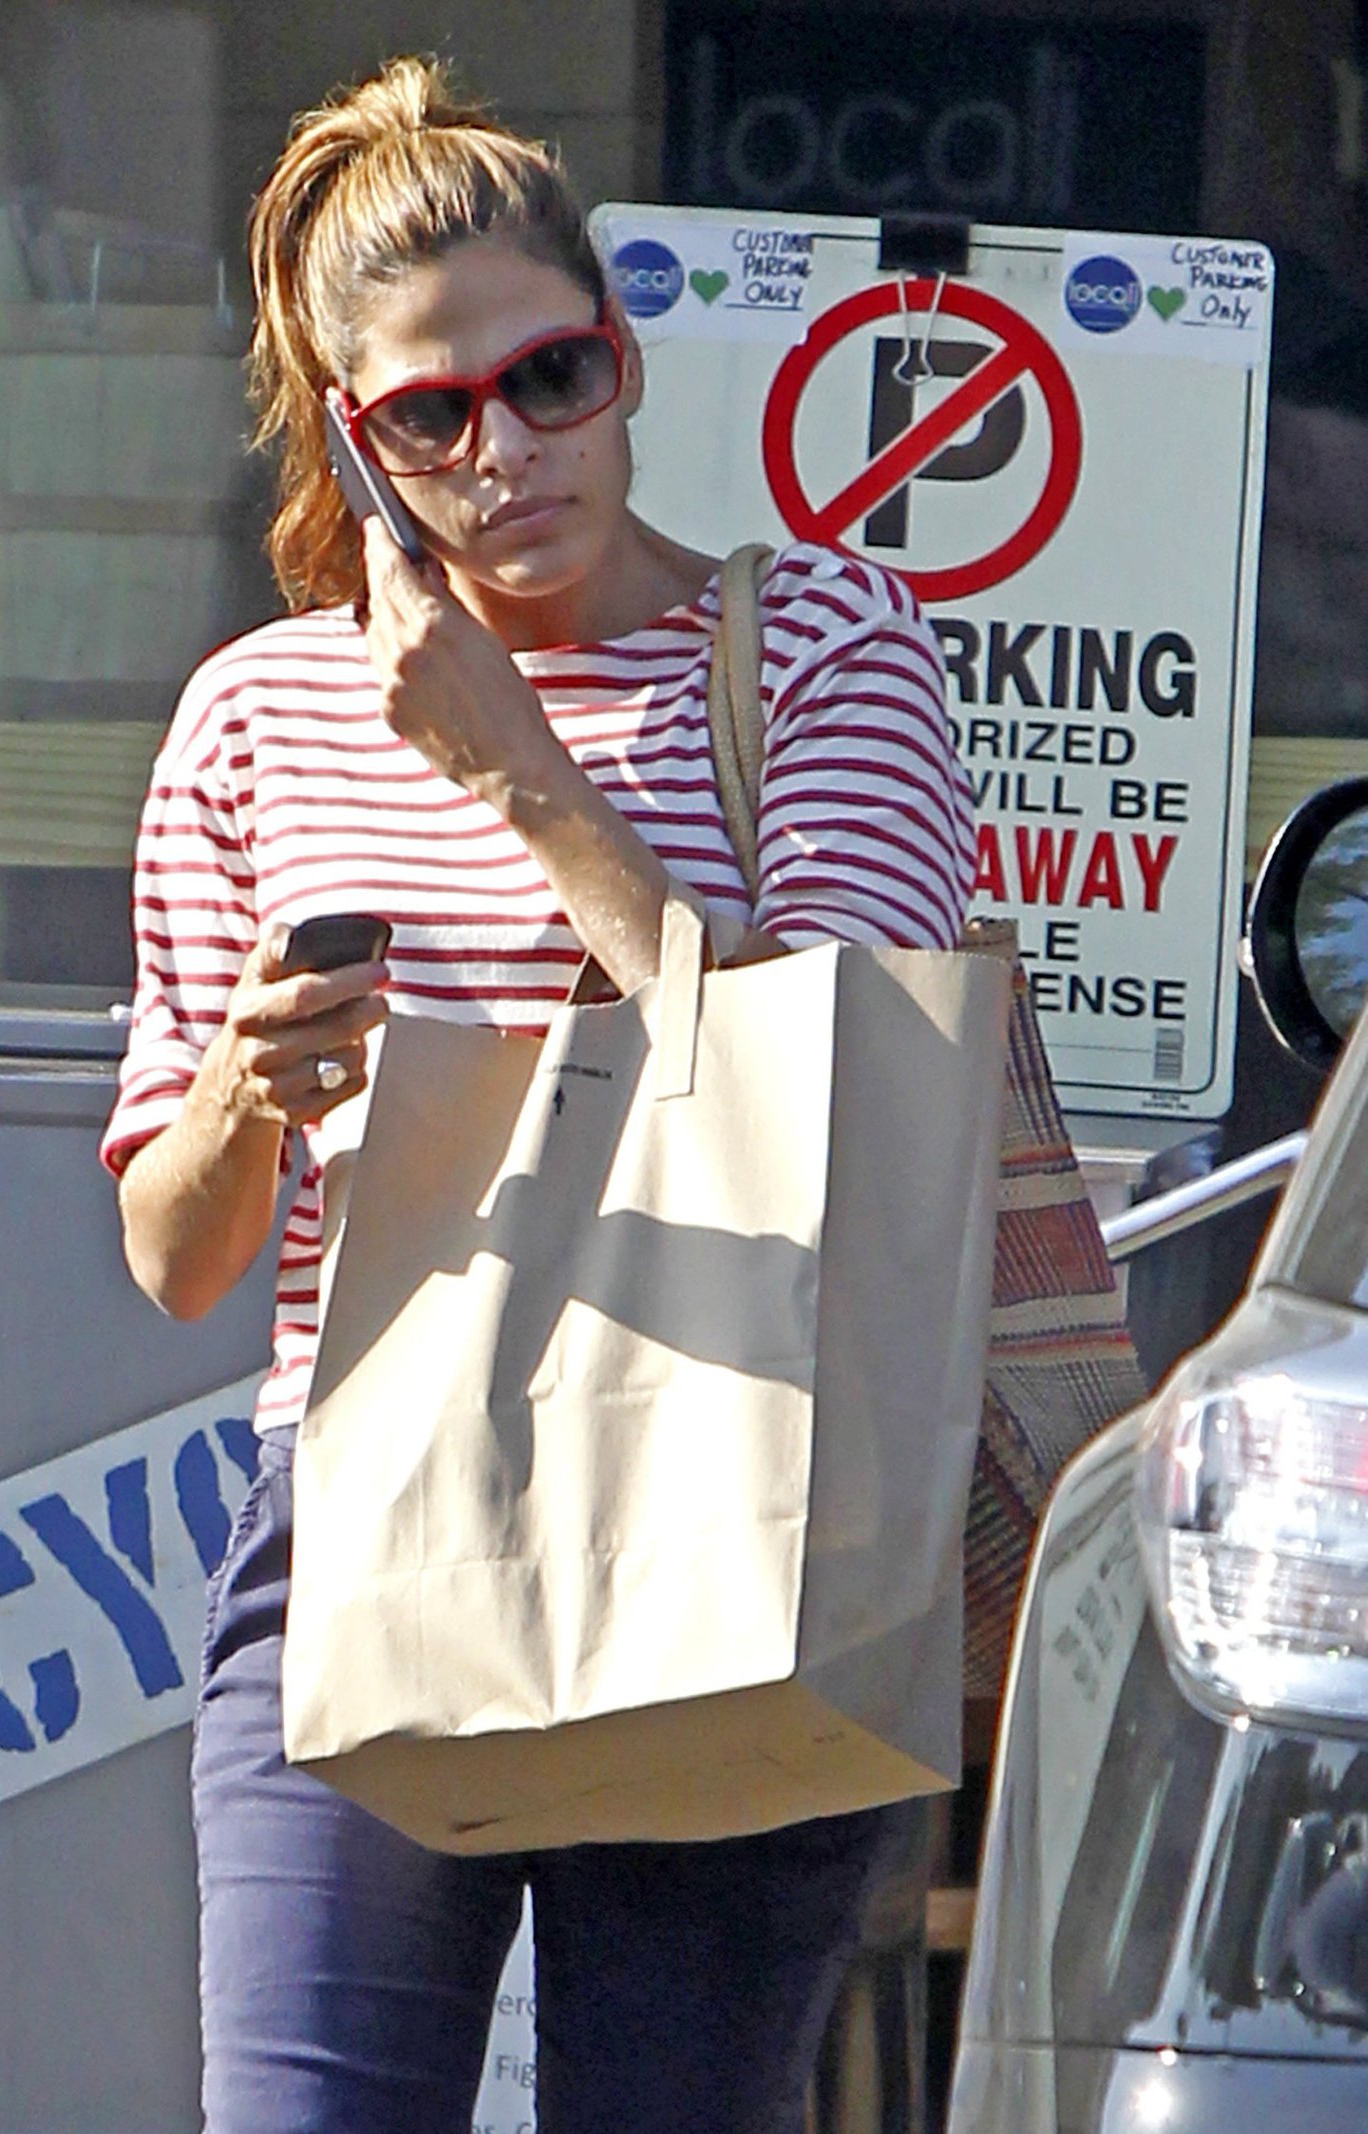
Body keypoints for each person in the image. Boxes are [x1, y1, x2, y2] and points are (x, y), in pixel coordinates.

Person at [102, 54, 977, 2134]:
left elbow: (838, 1104)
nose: (508, 447)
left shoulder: (827, 651)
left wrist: (520, 767)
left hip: (740, 1495)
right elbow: (175, 1251)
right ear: (358, 438)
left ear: (625, 356)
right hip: (364, 1491)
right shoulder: (264, 712)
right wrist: (243, 1079)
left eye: (554, 374)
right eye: (433, 412)